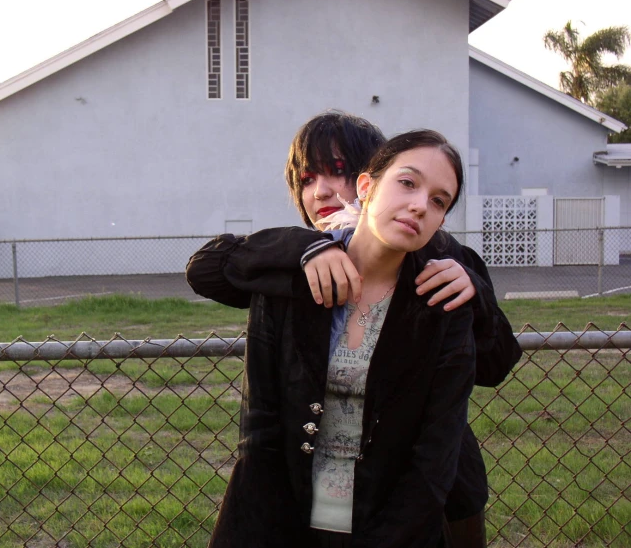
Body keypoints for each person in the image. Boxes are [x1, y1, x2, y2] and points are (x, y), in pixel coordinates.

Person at [187, 112, 521, 546]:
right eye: (307, 178)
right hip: (306, 499)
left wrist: (473, 292)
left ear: (368, 177)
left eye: (337, 171)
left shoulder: (439, 253)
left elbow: (493, 366)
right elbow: (206, 270)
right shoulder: (297, 272)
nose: (321, 190)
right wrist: (305, 246)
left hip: (431, 495)